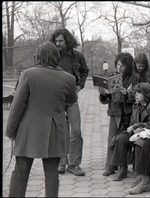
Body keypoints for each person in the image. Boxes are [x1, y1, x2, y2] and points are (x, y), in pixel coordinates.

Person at [5, 42, 77, 197]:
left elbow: (17, 106)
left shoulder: (28, 74)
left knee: (20, 173)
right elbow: (70, 101)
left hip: (28, 130)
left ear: (38, 56)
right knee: (52, 176)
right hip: (55, 130)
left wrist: (11, 131)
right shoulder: (69, 79)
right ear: (57, 57)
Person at [50, 28, 89, 176]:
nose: (58, 43)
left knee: (76, 131)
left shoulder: (77, 56)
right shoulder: (52, 55)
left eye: (61, 41)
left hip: (72, 98)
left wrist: (80, 86)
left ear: (67, 40)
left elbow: (85, 71)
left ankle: (74, 164)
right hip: (56, 99)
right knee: (61, 131)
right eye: (56, 41)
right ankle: (62, 162)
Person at [109, 82, 150, 181]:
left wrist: (137, 126)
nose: (136, 95)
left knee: (139, 143)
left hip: (149, 134)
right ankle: (122, 169)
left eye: (139, 93)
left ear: (146, 94)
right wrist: (134, 128)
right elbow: (132, 122)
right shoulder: (136, 105)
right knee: (120, 139)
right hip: (137, 132)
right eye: (135, 92)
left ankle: (141, 175)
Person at [99, 52, 139, 178]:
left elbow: (138, 97)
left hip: (127, 113)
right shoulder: (113, 77)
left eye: (122, 66)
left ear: (128, 66)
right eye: (118, 65)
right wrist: (104, 93)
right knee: (111, 139)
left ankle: (123, 167)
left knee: (122, 139)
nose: (119, 68)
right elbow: (106, 100)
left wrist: (126, 94)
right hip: (114, 112)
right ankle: (110, 166)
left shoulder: (134, 78)